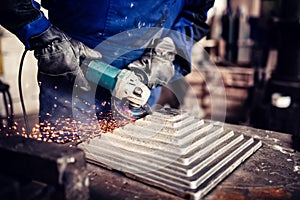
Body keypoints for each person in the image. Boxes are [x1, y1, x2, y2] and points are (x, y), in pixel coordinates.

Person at [0, 0, 214, 138]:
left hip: (142, 76)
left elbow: (194, 12)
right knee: (68, 164)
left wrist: (165, 54)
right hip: (68, 68)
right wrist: (42, 36)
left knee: (133, 170)